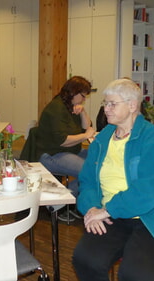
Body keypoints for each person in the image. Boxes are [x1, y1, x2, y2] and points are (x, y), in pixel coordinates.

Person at [72, 79, 154, 281]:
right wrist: (91, 208)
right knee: (85, 260)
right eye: (105, 103)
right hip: (112, 215)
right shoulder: (101, 140)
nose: (106, 109)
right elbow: (87, 181)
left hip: (153, 217)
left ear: (132, 105)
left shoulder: (153, 138)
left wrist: (106, 210)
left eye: (112, 104)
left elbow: (150, 190)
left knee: (133, 275)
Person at [35, 76, 96, 220]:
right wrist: (85, 135)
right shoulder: (56, 108)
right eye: (82, 96)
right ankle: (60, 204)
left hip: (70, 151)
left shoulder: (70, 106)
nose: (83, 100)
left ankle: (68, 201)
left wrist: (83, 112)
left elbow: (87, 126)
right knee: (90, 171)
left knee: (99, 164)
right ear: (73, 93)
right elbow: (62, 141)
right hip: (52, 154)